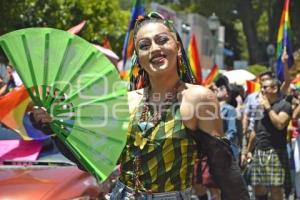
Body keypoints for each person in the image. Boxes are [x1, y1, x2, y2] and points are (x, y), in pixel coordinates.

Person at [32, 12, 249, 200]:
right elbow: (97, 159)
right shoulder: (127, 101)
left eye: (162, 40)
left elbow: (223, 167)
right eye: (144, 46)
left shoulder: (199, 99)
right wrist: (52, 128)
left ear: (178, 48)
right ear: (139, 59)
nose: (154, 49)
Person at [249, 78, 292, 200]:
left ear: (274, 89)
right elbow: (255, 131)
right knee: (258, 186)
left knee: (276, 188)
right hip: (259, 150)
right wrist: (246, 151)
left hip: (275, 151)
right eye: (261, 87)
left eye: (265, 87)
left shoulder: (284, 105)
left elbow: (280, 124)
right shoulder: (260, 107)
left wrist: (268, 108)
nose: (262, 90)